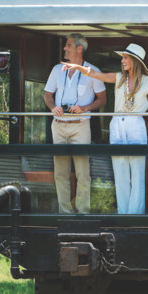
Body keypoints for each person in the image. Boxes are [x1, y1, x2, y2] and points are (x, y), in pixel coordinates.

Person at [61, 43, 148, 214]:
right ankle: (123, 214)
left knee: (137, 173)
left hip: (136, 124)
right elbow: (96, 74)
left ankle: (135, 215)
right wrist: (78, 67)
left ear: (135, 61)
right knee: (120, 172)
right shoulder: (119, 78)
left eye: (125, 58)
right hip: (117, 124)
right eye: (123, 58)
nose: (123, 61)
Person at [44, 33, 107, 214]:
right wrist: (53, 107)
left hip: (80, 126)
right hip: (58, 124)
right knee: (60, 173)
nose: (65, 48)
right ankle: (65, 213)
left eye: (69, 45)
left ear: (79, 48)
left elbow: (102, 99)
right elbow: (48, 94)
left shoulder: (92, 71)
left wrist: (85, 108)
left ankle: (83, 212)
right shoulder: (57, 69)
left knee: (83, 173)